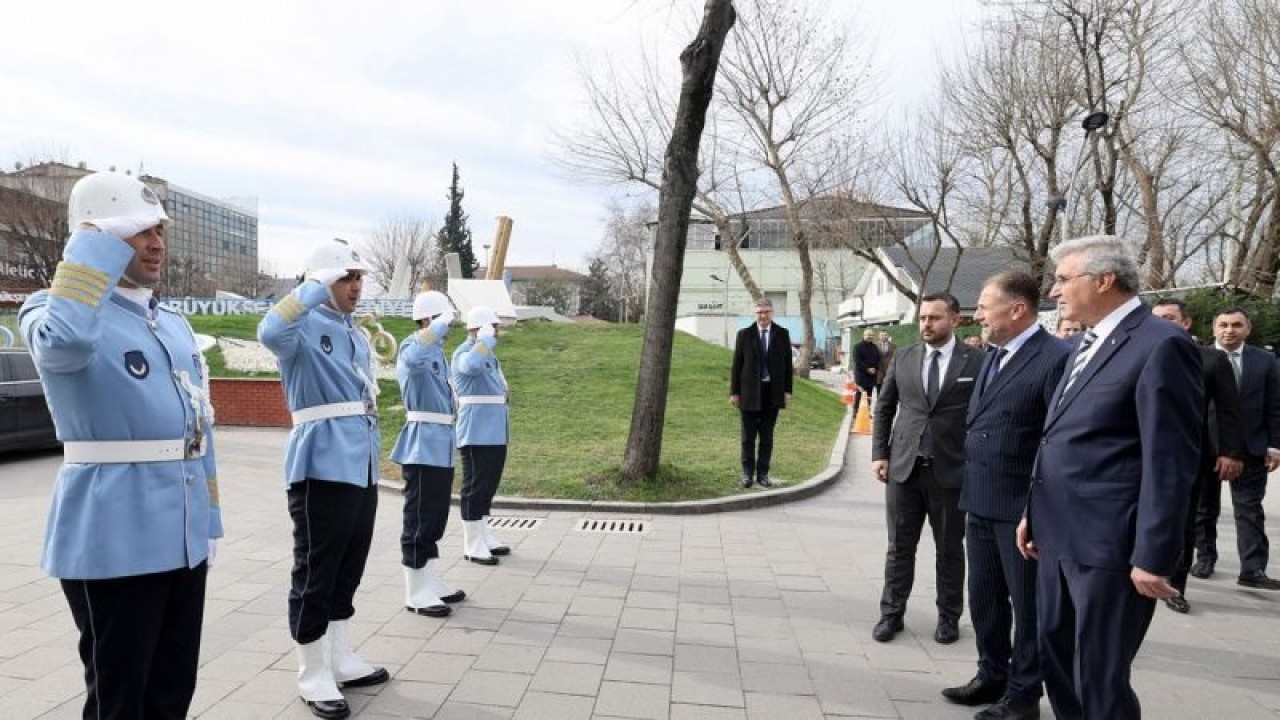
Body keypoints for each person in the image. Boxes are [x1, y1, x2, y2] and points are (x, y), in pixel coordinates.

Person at [18, 171, 222, 719]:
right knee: (120, 699)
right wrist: (90, 242)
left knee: (171, 691)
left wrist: (209, 520)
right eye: (137, 231)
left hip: (181, 535)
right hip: (113, 538)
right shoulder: (50, 310)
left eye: (159, 230)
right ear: (97, 237)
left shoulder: (170, 324)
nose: (156, 242)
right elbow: (65, 344)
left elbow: (198, 430)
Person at [1017, 235, 1202, 720]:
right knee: (1059, 667)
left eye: (1062, 279)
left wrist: (1154, 556)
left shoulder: (1161, 345)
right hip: (1056, 536)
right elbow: (1057, 436)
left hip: (1109, 548)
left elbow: (1171, 459)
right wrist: (1031, 513)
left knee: (1097, 679)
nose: (1054, 291)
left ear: (1103, 280)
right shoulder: (1083, 343)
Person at [259, 238, 388, 719]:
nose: (354, 286)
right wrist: (313, 287)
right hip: (322, 461)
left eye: (357, 278)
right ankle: (312, 669)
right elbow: (270, 331)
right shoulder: (302, 323)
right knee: (316, 567)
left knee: (349, 563)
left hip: (362, 459)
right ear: (320, 282)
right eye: (343, 278)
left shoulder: (352, 331)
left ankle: (340, 656)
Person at [942, 272, 1070, 720]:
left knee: (1028, 605)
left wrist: (1036, 510)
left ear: (1017, 309)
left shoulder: (1055, 357)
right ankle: (990, 674)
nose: (977, 315)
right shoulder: (993, 356)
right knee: (984, 597)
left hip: (1020, 509)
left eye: (983, 305)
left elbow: (1055, 441)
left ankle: (1022, 696)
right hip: (979, 498)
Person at [871, 292, 984, 644]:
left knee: (950, 549)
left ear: (954, 320)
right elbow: (884, 408)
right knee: (899, 547)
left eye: (934, 318)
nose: (926, 324)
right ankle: (891, 615)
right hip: (905, 469)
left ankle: (949, 618)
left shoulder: (977, 361)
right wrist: (879, 453)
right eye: (922, 318)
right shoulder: (904, 358)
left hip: (951, 470)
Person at [1150, 299, 1245, 612]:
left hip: (1190, 455)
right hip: (1140, 454)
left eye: (1170, 318)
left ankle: (1175, 586)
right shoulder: (1142, 354)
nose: (1164, 323)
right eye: (1158, 318)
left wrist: (1230, 451)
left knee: (1184, 521)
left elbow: (1229, 410)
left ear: (1186, 322)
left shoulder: (1212, 360)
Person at [390, 290, 467, 617]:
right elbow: (410, 360)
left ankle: (429, 579)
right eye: (442, 319)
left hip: (440, 442)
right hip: (423, 444)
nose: (448, 327)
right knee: (419, 518)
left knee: (435, 517)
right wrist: (436, 326)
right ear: (427, 319)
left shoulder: (436, 351)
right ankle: (415, 590)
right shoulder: (414, 346)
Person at [1191, 307, 1280, 590]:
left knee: (1250, 510)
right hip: (1207, 447)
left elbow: (1275, 406)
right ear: (1214, 329)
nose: (1230, 330)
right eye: (1224, 325)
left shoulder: (1265, 361)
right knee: (1205, 509)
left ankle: (1253, 569)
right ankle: (1205, 559)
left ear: (1247, 330)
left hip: (1251, 448)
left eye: (1237, 325)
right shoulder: (1198, 357)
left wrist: (1274, 446)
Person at [453, 305, 513, 565]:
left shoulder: (487, 354)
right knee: (475, 488)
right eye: (494, 327)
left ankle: (484, 534)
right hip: (476, 431)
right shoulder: (467, 352)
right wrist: (484, 340)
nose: (497, 332)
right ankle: (472, 543)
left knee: (487, 487)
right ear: (482, 328)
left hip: (494, 430)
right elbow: (469, 366)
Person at [730, 297, 794, 488]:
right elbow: (736, 365)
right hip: (748, 393)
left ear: (772, 312)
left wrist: (787, 390)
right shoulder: (744, 334)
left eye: (766, 312)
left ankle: (763, 474)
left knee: (766, 437)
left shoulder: (782, 334)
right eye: (759, 312)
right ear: (754, 313)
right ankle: (747, 474)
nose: (763, 315)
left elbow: (787, 365)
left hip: (772, 394)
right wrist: (734, 392)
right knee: (747, 437)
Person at [852, 328, 881, 415]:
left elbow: (878, 359)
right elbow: (857, 361)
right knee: (859, 394)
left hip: (871, 375)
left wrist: (875, 368)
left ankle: (866, 413)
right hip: (861, 375)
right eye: (868, 335)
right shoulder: (857, 347)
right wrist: (867, 369)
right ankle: (856, 412)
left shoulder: (875, 347)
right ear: (863, 336)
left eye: (871, 335)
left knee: (869, 395)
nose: (870, 337)